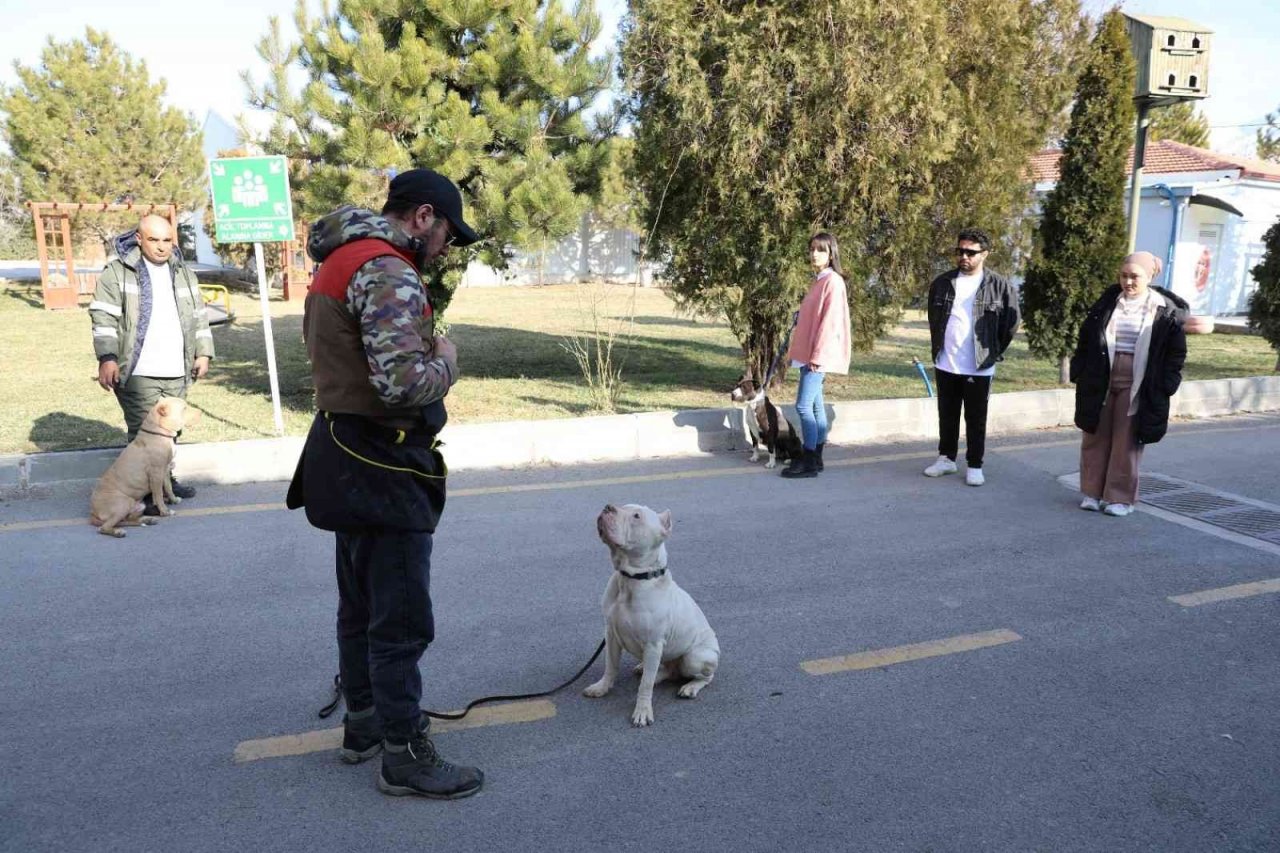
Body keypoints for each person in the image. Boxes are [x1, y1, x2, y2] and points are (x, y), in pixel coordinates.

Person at [285, 168, 484, 799]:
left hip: (345, 453)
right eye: (448, 232)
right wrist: (447, 362)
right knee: (399, 617)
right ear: (423, 216)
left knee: (360, 606)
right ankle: (404, 753)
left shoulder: (339, 258)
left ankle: (365, 724)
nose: (447, 247)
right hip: (385, 461)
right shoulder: (387, 269)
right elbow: (403, 383)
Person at [90, 215, 214, 504]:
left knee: (171, 429)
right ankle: (143, 491)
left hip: (176, 366)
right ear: (139, 239)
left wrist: (203, 351)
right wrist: (107, 358)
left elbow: (199, 316)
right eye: (154, 240)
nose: (161, 247)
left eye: (167, 240)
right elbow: (103, 317)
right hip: (138, 369)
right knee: (141, 433)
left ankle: (165, 481)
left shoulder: (183, 272)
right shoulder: (117, 272)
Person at [1070, 251, 1188, 517]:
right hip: (1102, 375)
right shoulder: (1107, 303)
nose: (1128, 282)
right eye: (1124, 275)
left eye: (1135, 276)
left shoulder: (1164, 311)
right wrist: (1080, 369)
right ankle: (1092, 492)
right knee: (1095, 436)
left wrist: (1168, 382)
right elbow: (1086, 338)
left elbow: (1176, 353)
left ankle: (1119, 498)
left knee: (1126, 441)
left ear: (1149, 277)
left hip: (1138, 380)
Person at [923, 228, 1020, 487]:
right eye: (960, 251)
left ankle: (975, 464)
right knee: (947, 413)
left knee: (976, 417)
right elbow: (934, 317)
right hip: (946, 361)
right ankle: (946, 458)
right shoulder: (943, 283)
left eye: (971, 252)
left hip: (979, 364)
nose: (964, 256)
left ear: (984, 254)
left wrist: (993, 350)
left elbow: (1010, 324)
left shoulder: (1000, 286)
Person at [780, 231, 851, 479]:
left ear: (831, 253)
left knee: (803, 406)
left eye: (820, 250)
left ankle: (808, 460)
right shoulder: (820, 280)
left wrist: (817, 357)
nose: (814, 254)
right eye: (811, 249)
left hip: (816, 356)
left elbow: (830, 325)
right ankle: (816, 458)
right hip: (809, 353)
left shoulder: (832, 281)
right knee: (816, 406)